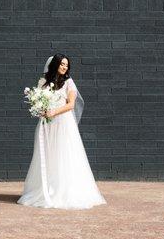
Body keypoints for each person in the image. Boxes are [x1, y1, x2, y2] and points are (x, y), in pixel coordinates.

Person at [18, 54, 106, 209]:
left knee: (63, 155)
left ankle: (64, 191)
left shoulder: (69, 83)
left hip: (64, 124)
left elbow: (71, 105)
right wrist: (41, 110)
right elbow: (38, 101)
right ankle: (47, 190)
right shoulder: (43, 82)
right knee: (48, 155)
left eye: (67, 65)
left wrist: (53, 112)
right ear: (55, 65)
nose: (65, 67)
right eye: (62, 64)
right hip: (47, 125)